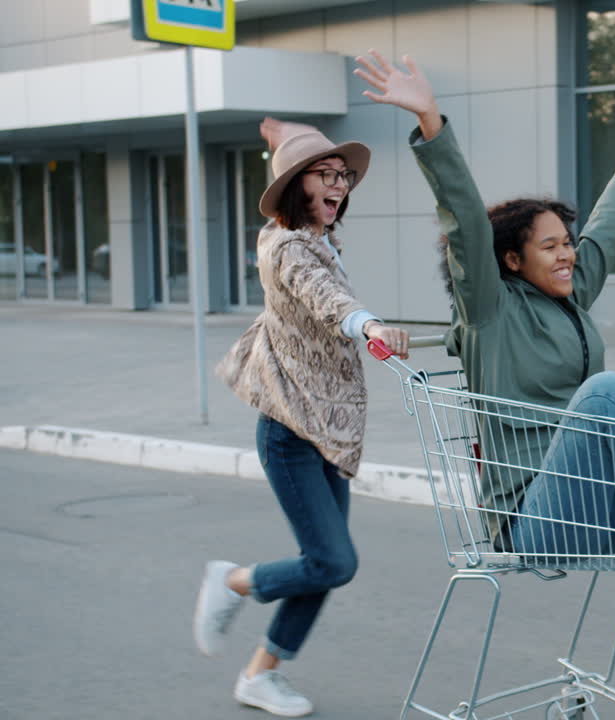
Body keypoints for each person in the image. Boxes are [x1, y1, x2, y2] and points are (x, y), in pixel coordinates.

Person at [354, 50, 615, 562]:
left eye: (567, 242)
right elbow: (466, 223)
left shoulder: (571, 294)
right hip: (536, 518)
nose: (567, 254)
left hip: (605, 507)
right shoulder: (489, 311)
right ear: (512, 259)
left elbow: (607, 227)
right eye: (551, 246)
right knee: (607, 391)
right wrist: (431, 123)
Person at [192, 117, 410, 717]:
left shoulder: (317, 240)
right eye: (326, 174)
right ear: (297, 185)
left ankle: (259, 676)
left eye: (344, 176)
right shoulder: (289, 246)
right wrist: (368, 325)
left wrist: (281, 134)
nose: (340, 185)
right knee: (333, 561)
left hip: (323, 433)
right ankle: (232, 581)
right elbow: (325, 298)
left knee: (325, 565)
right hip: (291, 434)